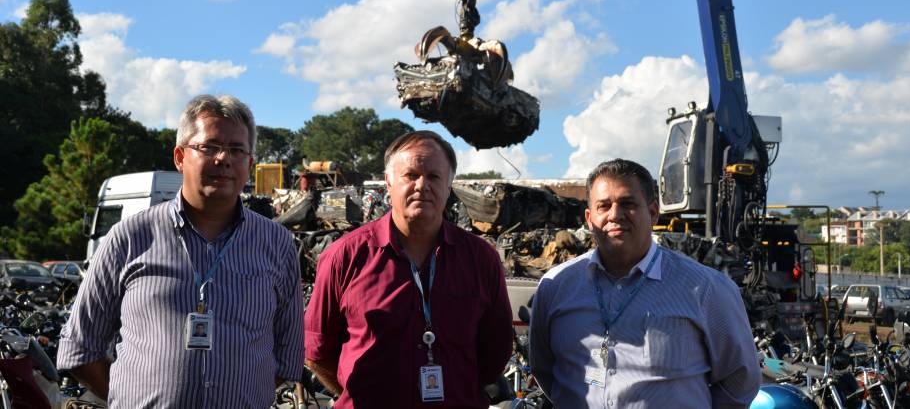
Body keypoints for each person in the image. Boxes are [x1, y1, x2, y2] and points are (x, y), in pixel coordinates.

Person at [57, 94, 304, 408]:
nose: (223, 159)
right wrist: (129, 399)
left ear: (250, 163)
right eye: (209, 146)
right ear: (179, 156)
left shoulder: (277, 245)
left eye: (237, 150)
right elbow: (79, 348)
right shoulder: (130, 238)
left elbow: (287, 355)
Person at [304, 130, 513, 408]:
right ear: (388, 182)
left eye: (435, 177)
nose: (422, 185)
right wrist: (363, 392)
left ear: (449, 186)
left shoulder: (481, 259)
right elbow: (317, 351)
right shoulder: (344, 257)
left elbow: (495, 352)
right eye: (411, 175)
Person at [529, 159, 760, 408]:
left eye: (627, 204)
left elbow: (740, 381)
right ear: (589, 218)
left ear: (652, 212)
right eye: (603, 206)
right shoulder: (556, 286)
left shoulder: (705, 289)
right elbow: (546, 370)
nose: (615, 215)